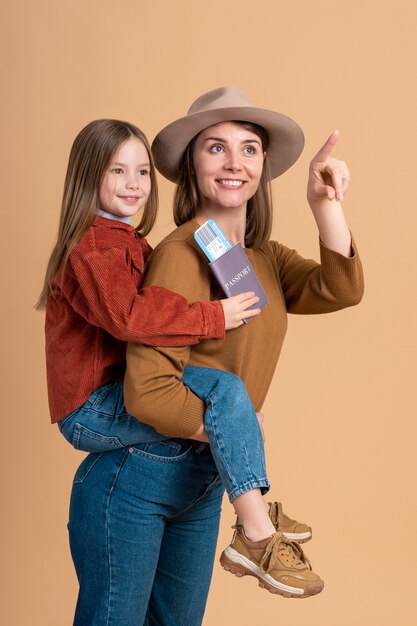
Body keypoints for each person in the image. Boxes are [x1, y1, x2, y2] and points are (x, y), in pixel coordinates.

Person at [69, 88, 364, 624]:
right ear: (191, 165)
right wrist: (236, 428)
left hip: (204, 481)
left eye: (249, 149)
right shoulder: (182, 254)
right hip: (136, 480)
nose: (235, 163)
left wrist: (325, 205)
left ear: (263, 166)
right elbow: (147, 393)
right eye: (216, 148)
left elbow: (339, 289)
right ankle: (258, 533)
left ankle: (255, 531)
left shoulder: (261, 258)